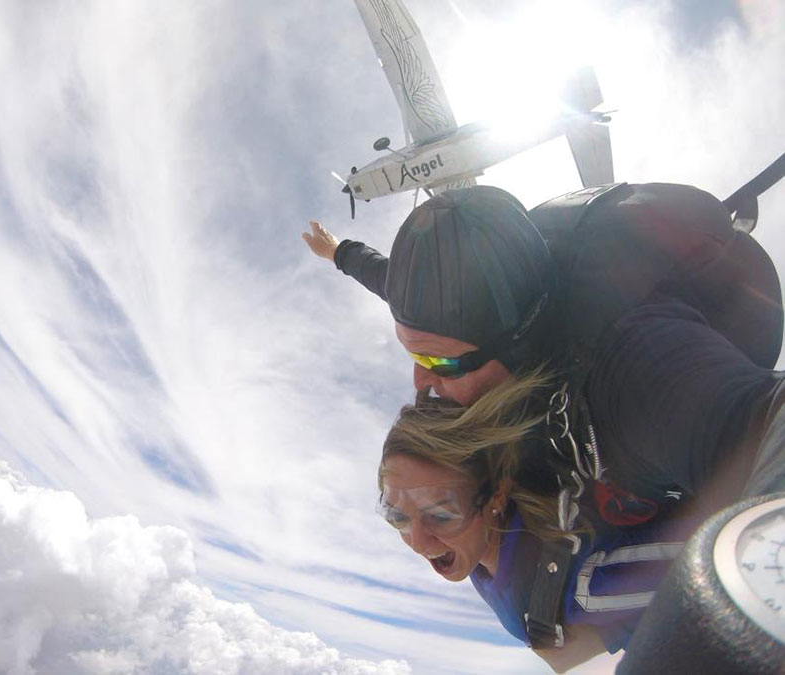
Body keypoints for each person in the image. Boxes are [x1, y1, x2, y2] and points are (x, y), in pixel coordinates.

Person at [303, 186, 785, 522]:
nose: (418, 381)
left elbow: (768, 426)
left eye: (439, 363)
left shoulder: (634, 365)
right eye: (413, 352)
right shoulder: (451, 311)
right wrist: (337, 251)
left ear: (518, 345)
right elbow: (386, 277)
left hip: (722, 305)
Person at [378, 385, 702, 673]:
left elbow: (721, 551)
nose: (417, 542)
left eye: (441, 516)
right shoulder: (483, 552)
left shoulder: (587, 586)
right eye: (396, 516)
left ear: (498, 495)